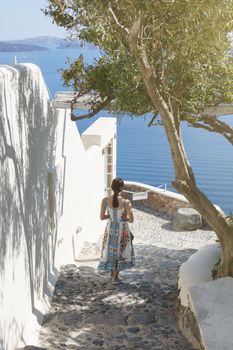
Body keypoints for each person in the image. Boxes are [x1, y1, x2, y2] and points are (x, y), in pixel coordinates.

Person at [98, 177, 135, 284]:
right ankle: (116, 276)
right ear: (122, 188)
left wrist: (110, 215)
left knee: (111, 249)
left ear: (112, 187)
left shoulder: (105, 201)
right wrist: (125, 218)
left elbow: (102, 217)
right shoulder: (126, 202)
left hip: (110, 228)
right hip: (122, 228)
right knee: (121, 250)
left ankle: (112, 274)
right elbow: (131, 220)